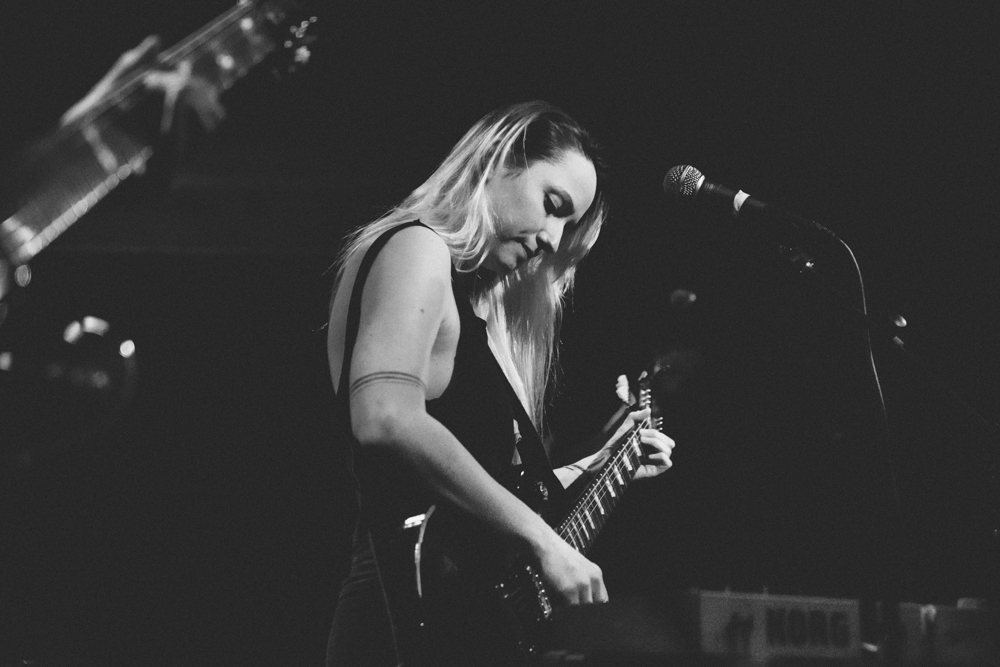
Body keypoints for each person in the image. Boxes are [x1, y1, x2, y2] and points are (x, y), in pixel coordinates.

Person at [326, 101, 676, 666]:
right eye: (553, 205)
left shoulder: (466, 304)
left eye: (569, 224)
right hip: (405, 622)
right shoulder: (417, 246)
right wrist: (544, 543)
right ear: (499, 159)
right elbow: (386, 415)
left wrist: (604, 466)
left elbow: (482, 491)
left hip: (450, 619)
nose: (555, 239)